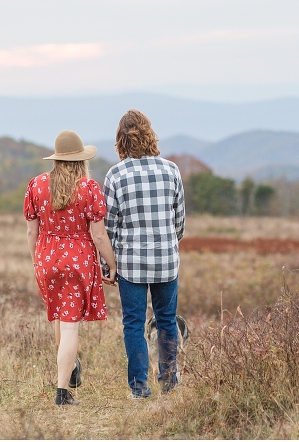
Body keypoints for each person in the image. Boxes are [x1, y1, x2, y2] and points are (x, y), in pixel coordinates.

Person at [25, 129, 118, 406]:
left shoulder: (37, 185)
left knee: (59, 316)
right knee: (69, 327)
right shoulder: (89, 188)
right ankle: (62, 391)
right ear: (80, 160)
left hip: (47, 259)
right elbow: (99, 235)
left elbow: (32, 231)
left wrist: (35, 260)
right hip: (78, 259)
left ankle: (71, 366)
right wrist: (111, 264)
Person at [103, 109, 185, 399]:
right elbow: (179, 221)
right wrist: (168, 244)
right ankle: (169, 379)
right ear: (150, 134)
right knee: (166, 319)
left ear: (121, 141)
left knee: (133, 324)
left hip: (131, 263)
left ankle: (139, 387)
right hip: (166, 260)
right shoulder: (171, 170)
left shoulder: (115, 175)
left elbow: (109, 226)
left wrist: (107, 266)